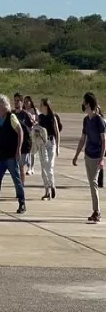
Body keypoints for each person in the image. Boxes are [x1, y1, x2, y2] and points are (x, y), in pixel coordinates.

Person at [0, 95, 26, 215]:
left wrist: (18, 149)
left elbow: (20, 131)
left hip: (11, 156)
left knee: (16, 180)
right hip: (2, 155)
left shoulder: (11, 117)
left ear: (3, 106)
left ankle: (22, 202)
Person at [72, 92, 105, 223]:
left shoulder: (99, 121)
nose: (82, 105)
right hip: (88, 155)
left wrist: (102, 158)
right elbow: (82, 139)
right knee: (92, 184)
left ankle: (97, 211)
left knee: (93, 183)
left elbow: (104, 141)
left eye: (84, 102)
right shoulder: (86, 120)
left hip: (97, 156)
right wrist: (76, 155)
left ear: (88, 104)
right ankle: (95, 210)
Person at [37, 98, 60, 200]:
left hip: (51, 142)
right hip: (42, 143)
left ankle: (52, 185)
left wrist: (58, 147)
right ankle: (47, 191)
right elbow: (38, 130)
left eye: (42, 105)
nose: (40, 107)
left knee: (49, 166)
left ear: (46, 106)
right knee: (43, 167)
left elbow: (57, 132)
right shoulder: (40, 117)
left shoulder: (52, 117)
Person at [13, 93, 35, 181]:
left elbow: (30, 128)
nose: (16, 103)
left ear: (22, 103)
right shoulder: (12, 114)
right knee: (15, 167)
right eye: (15, 100)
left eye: (18, 101)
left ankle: (21, 186)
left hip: (23, 144)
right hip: (13, 144)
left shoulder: (25, 114)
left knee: (21, 166)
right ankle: (18, 185)